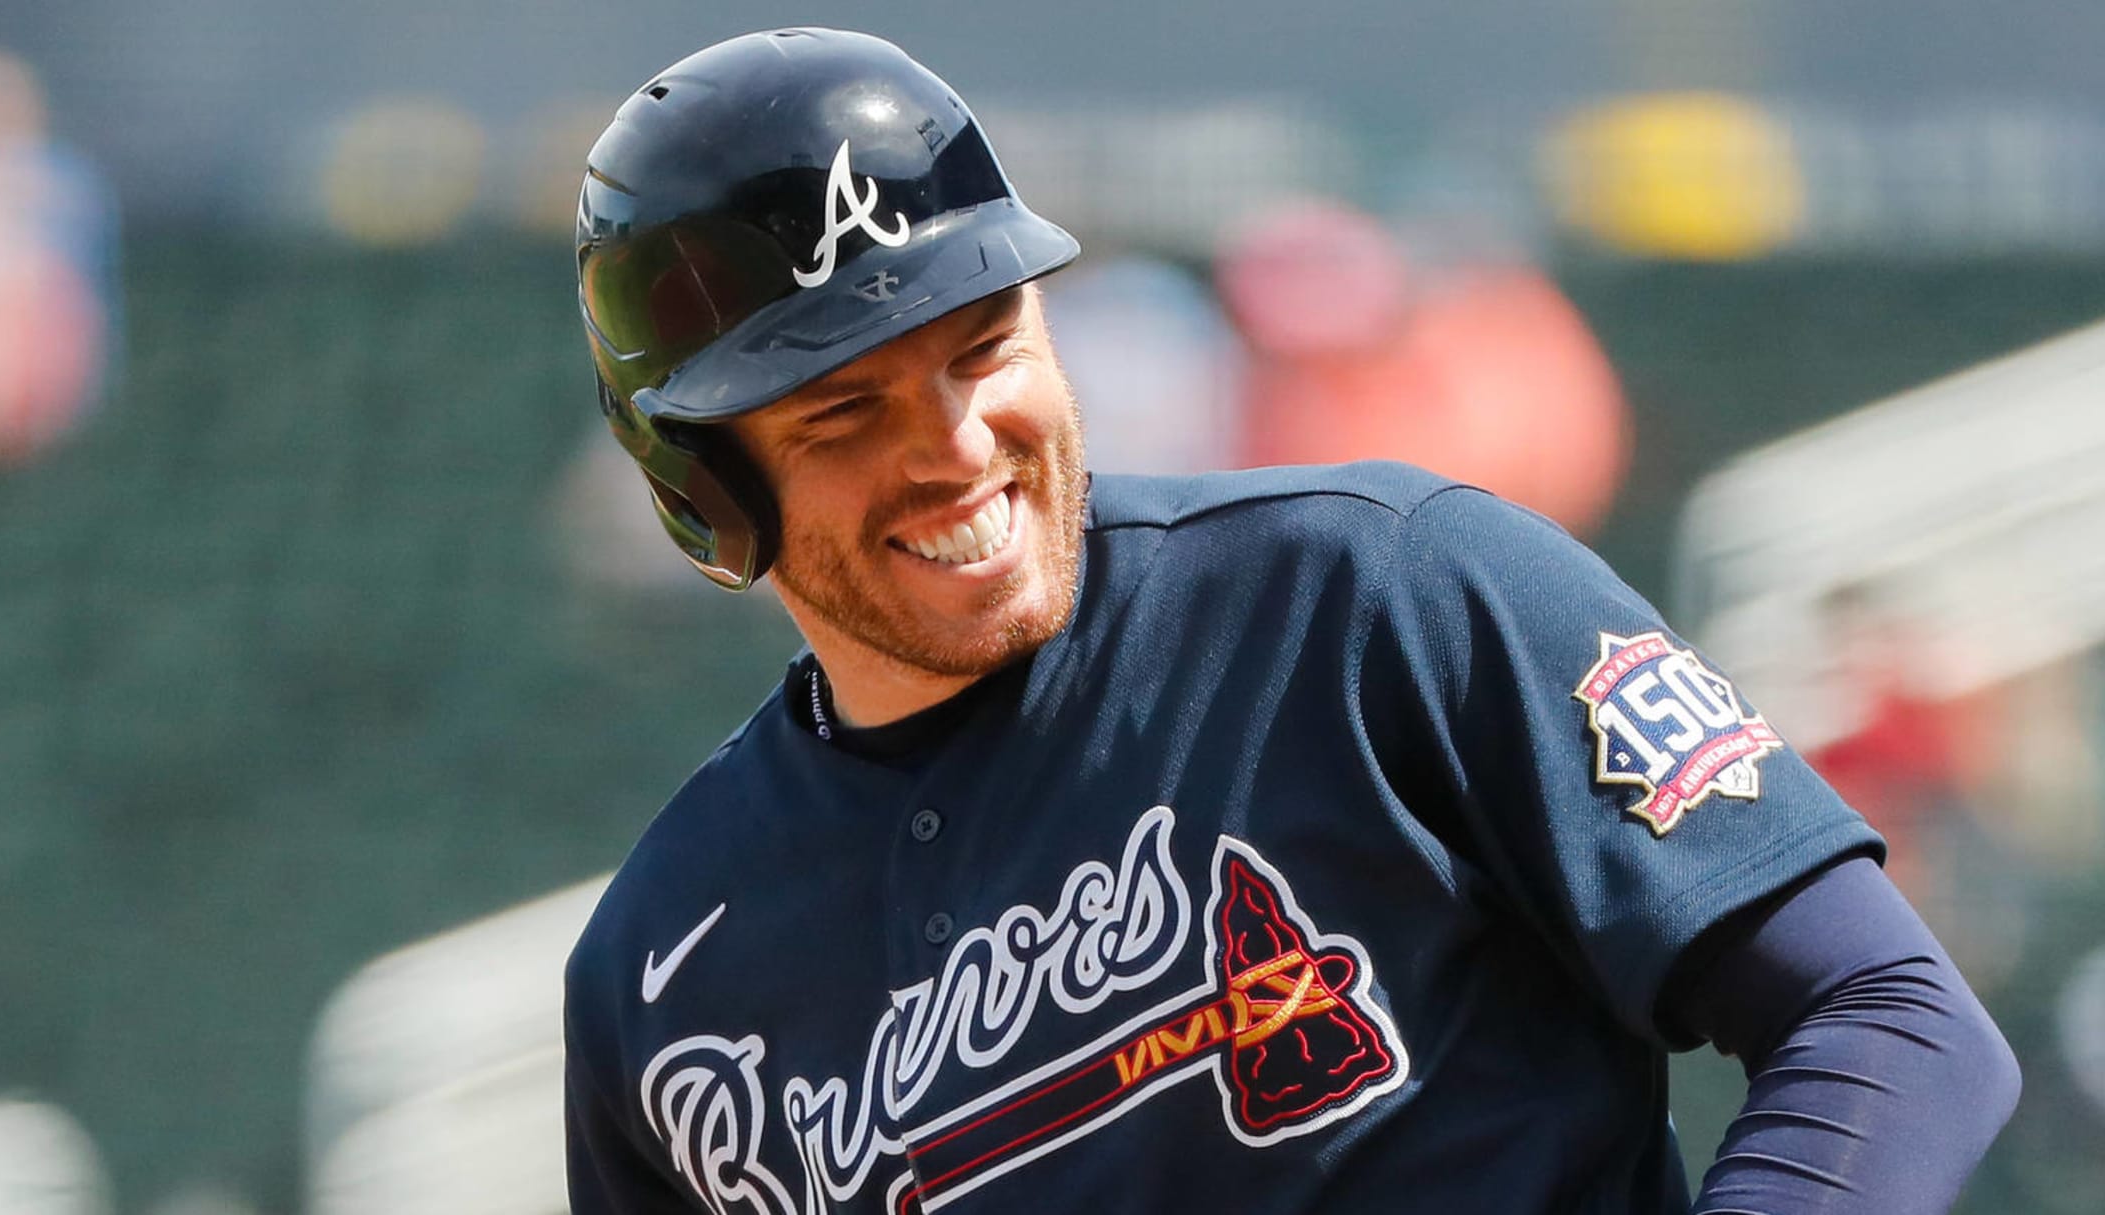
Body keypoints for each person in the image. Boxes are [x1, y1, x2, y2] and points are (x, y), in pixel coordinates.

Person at [563, 28, 2019, 1215]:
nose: (958, 440)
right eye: (847, 407)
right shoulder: (662, 980)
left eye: (985, 342)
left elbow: (1891, 1023)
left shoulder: (1379, 596)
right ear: (707, 486)